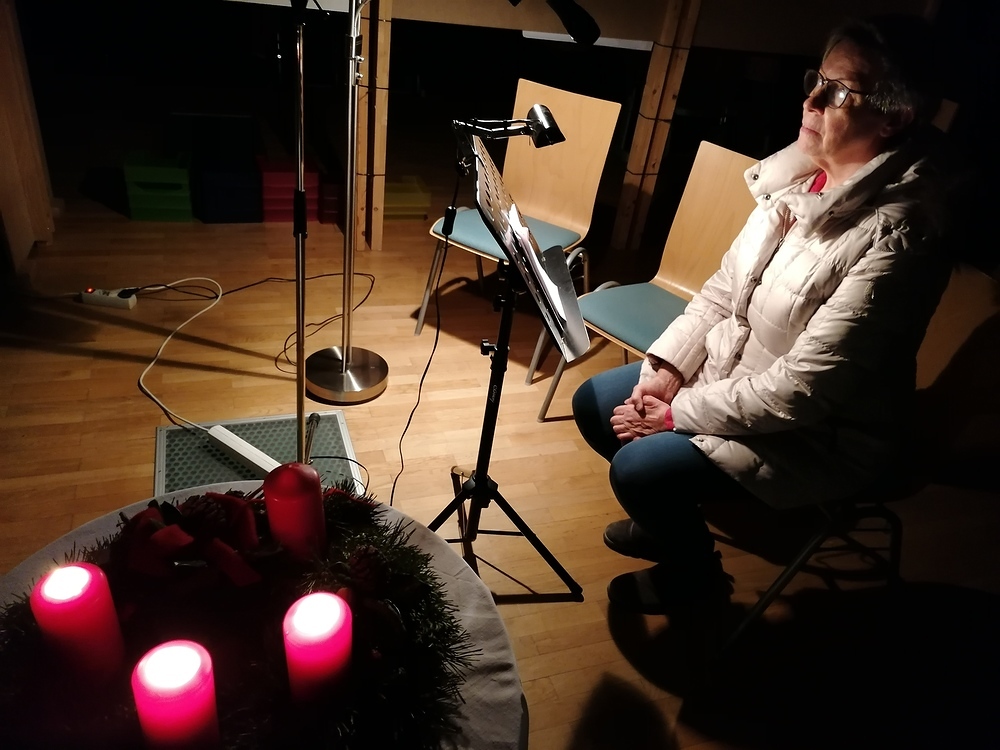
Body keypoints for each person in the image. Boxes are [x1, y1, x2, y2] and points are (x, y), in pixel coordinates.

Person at [572, 14, 952, 614]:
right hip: (738, 377)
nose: (812, 100)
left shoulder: (900, 237)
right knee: (595, 403)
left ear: (894, 116)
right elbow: (722, 293)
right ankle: (671, 525)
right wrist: (668, 370)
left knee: (640, 469)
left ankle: (694, 577)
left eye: (838, 92)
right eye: (816, 79)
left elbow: (804, 390)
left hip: (818, 435)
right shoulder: (798, 181)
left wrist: (675, 415)